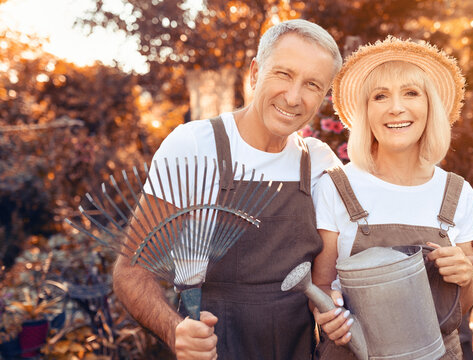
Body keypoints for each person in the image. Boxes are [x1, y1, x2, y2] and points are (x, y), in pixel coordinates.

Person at [112, 19, 344, 360]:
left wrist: (332, 305)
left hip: (297, 350)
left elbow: (327, 282)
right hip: (217, 349)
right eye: (283, 74)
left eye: (312, 84)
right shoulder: (193, 146)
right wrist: (175, 331)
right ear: (254, 73)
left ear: (324, 96)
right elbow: (131, 271)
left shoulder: (321, 164)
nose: (294, 97)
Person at [311, 37, 473, 360]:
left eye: (411, 93)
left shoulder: (457, 194)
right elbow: (321, 287)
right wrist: (327, 315)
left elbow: (461, 306)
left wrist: (466, 278)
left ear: (429, 105)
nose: (396, 107)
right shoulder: (336, 187)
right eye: (380, 96)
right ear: (366, 110)